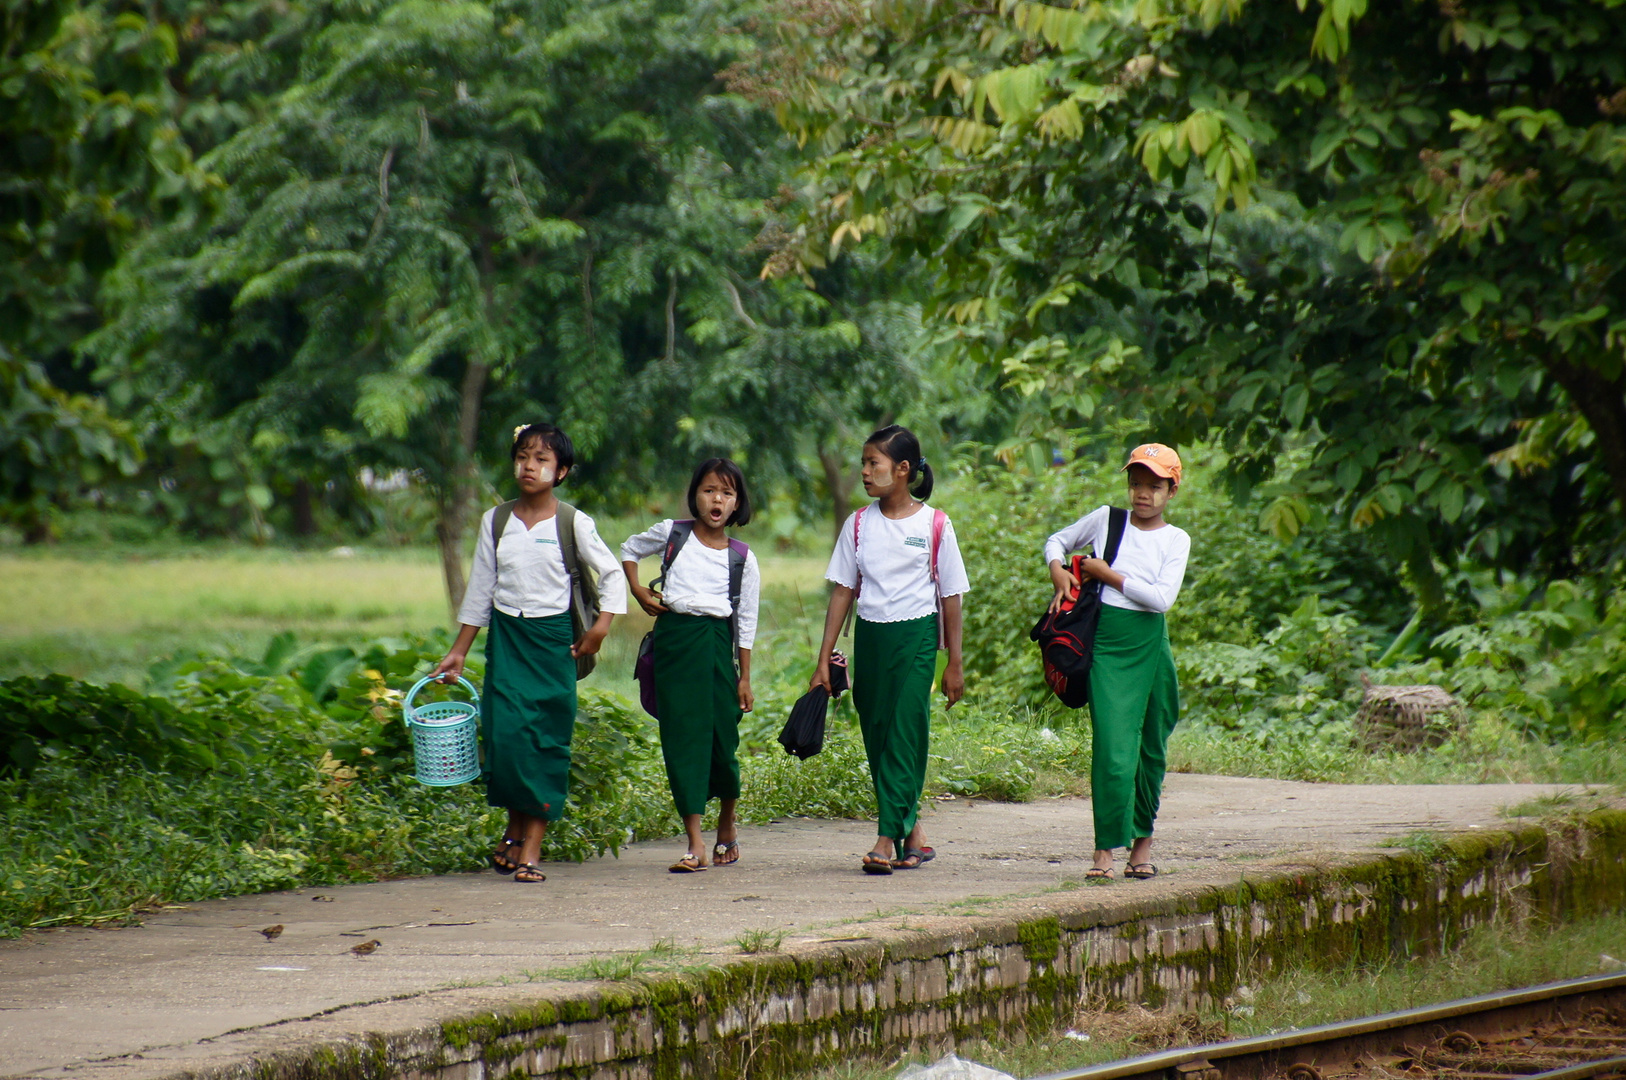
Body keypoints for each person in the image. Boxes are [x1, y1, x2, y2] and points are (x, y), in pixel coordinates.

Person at [432, 423, 626, 884]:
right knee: (505, 737)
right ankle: (514, 828)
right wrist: (459, 651)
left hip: (554, 642)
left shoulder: (572, 522)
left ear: (561, 472)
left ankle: (530, 847)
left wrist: (600, 630)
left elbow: (613, 575)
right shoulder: (495, 521)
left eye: (541, 460)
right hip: (507, 639)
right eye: (523, 457)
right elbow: (481, 588)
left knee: (544, 740)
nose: (529, 467)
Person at [810, 425, 970, 875]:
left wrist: (953, 662)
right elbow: (843, 591)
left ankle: (885, 838)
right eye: (863, 463)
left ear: (902, 470)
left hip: (918, 637)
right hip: (872, 637)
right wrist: (823, 658)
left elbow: (951, 596)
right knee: (878, 732)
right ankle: (913, 831)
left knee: (904, 728)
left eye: (872, 463)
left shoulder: (935, 524)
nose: (864, 471)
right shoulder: (858, 524)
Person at [1043, 443, 1190, 881]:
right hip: (1108, 640)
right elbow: (1057, 540)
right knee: (1111, 747)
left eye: (1154, 485)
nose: (1143, 493)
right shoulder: (1108, 520)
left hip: (1151, 641)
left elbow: (1162, 598)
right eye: (1136, 483)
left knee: (1150, 744)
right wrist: (1058, 568)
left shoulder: (1175, 538)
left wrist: (1107, 575)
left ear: (1172, 490)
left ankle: (1141, 847)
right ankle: (1105, 849)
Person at [620, 459, 761, 873]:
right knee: (682, 740)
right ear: (694, 495)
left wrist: (745, 677)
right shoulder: (672, 534)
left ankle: (727, 823)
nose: (717, 499)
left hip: (718, 647)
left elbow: (746, 622)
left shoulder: (742, 558)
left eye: (727, 493)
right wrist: (638, 590)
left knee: (723, 741)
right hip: (675, 645)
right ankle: (695, 843)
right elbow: (628, 549)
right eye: (709, 490)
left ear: (737, 504)